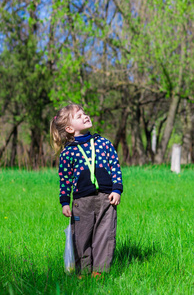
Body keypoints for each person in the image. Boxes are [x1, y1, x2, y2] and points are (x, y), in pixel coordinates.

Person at [50, 103, 123, 278]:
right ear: (69, 128)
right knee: (81, 236)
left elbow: (115, 167)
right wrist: (64, 202)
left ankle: (99, 271)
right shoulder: (68, 153)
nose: (85, 116)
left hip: (107, 198)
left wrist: (117, 189)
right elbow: (65, 180)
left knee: (105, 235)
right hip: (81, 202)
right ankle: (82, 271)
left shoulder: (104, 143)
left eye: (85, 113)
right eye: (79, 116)